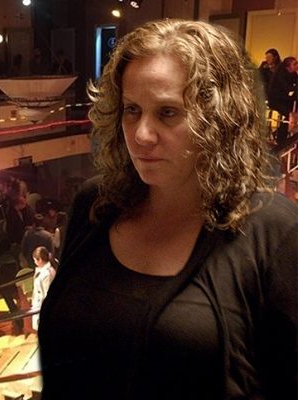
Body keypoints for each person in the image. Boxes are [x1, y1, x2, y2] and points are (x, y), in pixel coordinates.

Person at [38, 19, 297, 400]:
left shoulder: (276, 232)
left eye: (168, 113)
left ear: (218, 119)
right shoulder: (95, 204)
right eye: (131, 109)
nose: (141, 134)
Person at [30, 246, 56, 331]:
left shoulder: (47, 274)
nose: (34, 262)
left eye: (35, 260)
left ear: (40, 260)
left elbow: (47, 294)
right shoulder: (43, 271)